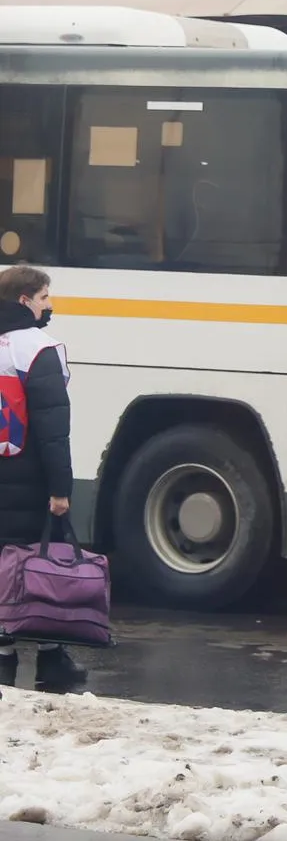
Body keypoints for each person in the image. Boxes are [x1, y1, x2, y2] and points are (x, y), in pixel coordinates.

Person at [0, 265, 85, 692]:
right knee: (42, 563)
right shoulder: (40, 349)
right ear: (25, 301)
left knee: (4, 562)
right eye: (45, 297)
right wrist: (60, 491)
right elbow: (53, 431)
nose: (49, 305)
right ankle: (52, 656)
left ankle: (3, 656)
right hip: (30, 475)